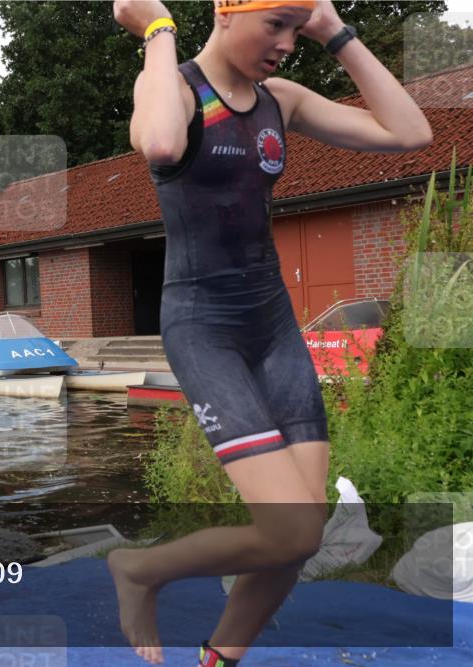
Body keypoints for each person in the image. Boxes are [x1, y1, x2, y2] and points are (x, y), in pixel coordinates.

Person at [109, 1, 432, 665]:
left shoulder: (279, 101)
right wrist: (159, 30)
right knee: (288, 528)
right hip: (204, 326)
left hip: (274, 325)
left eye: (296, 27)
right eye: (276, 23)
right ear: (227, 11)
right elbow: (165, 143)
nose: (287, 43)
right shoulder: (170, 84)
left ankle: (219, 658)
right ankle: (140, 570)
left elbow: (410, 132)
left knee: (301, 535)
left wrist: (335, 32)